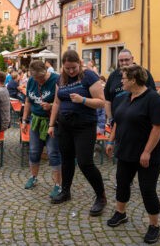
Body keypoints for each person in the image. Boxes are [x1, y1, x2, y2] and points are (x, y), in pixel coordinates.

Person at [105, 65, 160, 244]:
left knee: (147, 189)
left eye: (123, 78)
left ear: (133, 80)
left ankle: (154, 225)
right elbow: (118, 120)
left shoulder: (153, 99)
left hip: (148, 154)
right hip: (126, 150)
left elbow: (158, 127)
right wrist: (110, 140)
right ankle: (121, 213)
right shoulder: (127, 97)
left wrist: (147, 151)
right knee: (122, 183)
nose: (121, 81)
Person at [48, 50, 107, 216]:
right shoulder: (61, 78)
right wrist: (52, 124)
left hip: (85, 126)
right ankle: (66, 191)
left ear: (79, 63)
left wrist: (83, 100)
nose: (71, 71)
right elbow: (56, 103)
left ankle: (101, 197)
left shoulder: (89, 76)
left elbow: (101, 102)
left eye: (73, 67)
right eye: (67, 68)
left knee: (85, 162)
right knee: (66, 159)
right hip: (65, 126)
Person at [21, 60, 61, 198]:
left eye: (41, 78)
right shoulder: (32, 81)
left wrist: (50, 106)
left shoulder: (56, 80)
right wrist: (25, 120)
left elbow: (61, 102)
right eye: (36, 78)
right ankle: (33, 177)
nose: (39, 81)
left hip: (52, 122)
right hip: (35, 120)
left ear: (46, 72)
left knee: (53, 153)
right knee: (33, 151)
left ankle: (58, 185)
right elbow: (28, 101)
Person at [104, 49, 156, 127]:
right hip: (117, 122)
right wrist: (111, 118)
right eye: (121, 60)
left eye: (126, 60)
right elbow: (107, 100)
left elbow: (153, 96)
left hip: (139, 121)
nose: (124, 63)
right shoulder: (113, 76)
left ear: (132, 58)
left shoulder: (143, 73)